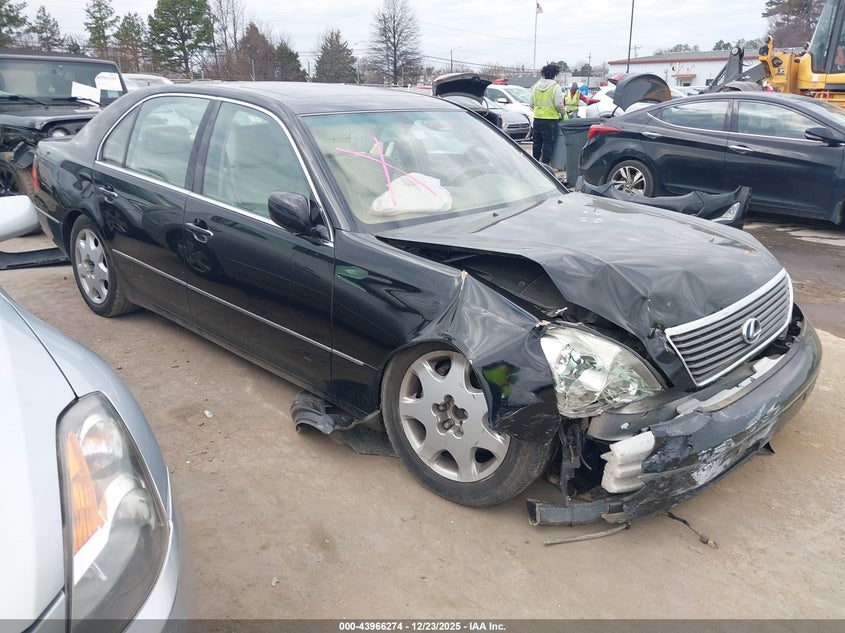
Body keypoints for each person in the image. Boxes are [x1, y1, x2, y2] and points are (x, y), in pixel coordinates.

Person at [529, 64, 566, 165]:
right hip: (550, 120)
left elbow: (531, 104)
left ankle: (535, 163)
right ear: (555, 74)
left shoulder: (535, 87)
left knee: (537, 143)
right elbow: (559, 104)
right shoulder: (555, 87)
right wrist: (563, 114)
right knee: (548, 143)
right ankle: (545, 165)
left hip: (537, 119)